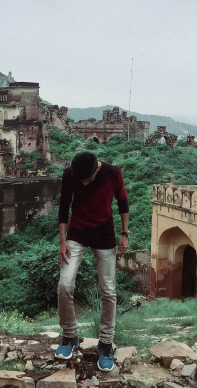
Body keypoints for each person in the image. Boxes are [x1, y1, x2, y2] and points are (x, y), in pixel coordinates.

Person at [55, 151, 130, 371]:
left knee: (108, 290)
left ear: (96, 168)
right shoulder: (70, 174)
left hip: (104, 234)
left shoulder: (113, 173)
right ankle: (70, 336)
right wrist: (62, 240)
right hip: (77, 232)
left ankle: (105, 343)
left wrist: (125, 233)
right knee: (64, 285)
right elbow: (63, 206)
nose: (83, 183)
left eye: (86, 179)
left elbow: (123, 201)